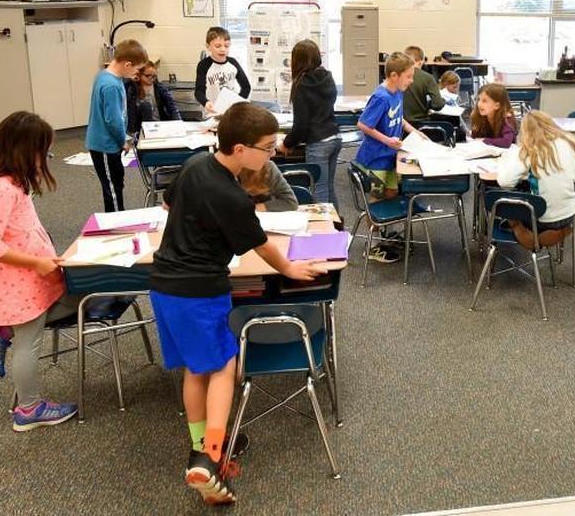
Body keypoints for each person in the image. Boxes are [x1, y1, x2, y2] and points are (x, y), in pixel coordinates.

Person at [149, 102, 326, 505]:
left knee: (197, 370)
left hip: (164, 285)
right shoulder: (231, 195)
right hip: (198, 292)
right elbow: (262, 247)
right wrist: (292, 270)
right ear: (241, 148)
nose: (273, 153)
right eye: (267, 147)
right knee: (223, 368)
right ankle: (211, 458)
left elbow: (169, 204)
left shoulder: (196, 164)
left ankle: (203, 447)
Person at [0, 112, 79, 432]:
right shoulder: (3, 188)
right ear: (23, 150)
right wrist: (36, 262)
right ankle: (28, 409)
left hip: (29, 275)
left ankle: (2, 331)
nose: (45, 159)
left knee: (75, 292)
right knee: (29, 343)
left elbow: (20, 228)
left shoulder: (0, 177)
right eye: (42, 151)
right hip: (19, 282)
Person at [355, 52, 419, 264]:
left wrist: (415, 132)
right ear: (394, 75)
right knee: (376, 201)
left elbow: (398, 119)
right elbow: (363, 125)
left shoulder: (397, 92)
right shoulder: (381, 97)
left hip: (390, 158)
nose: (411, 81)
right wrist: (387, 140)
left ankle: (387, 234)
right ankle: (372, 246)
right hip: (375, 160)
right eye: (408, 76)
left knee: (391, 193)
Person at [496, 111, 575, 249]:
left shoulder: (528, 148)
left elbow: (505, 182)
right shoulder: (571, 141)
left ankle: (521, 229)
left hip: (541, 220)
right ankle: (554, 235)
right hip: (569, 216)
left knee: (504, 201)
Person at [276, 39, 342, 209]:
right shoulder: (327, 76)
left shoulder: (301, 84)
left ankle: (324, 231)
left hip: (318, 142)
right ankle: (337, 227)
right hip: (335, 137)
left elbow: (301, 125)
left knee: (318, 189)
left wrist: (286, 144)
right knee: (328, 186)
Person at [87, 39, 147, 212]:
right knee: (112, 187)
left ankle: (118, 216)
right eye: (136, 69)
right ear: (127, 64)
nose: (136, 73)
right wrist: (123, 140)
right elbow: (113, 120)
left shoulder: (106, 75)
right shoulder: (111, 85)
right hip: (105, 144)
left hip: (109, 142)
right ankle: (115, 222)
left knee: (117, 181)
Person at [194, 26, 251, 114]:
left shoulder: (233, 62)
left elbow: (246, 87)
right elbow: (199, 91)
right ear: (208, 46)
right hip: (212, 112)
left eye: (226, 46)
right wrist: (206, 102)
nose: (223, 49)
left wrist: (237, 103)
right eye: (218, 46)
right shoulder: (203, 65)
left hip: (230, 111)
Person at [126, 60, 182, 135]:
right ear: (139, 74)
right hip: (140, 128)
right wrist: (130, 79)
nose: (151, 78)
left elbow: (172, 107)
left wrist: (179, 124)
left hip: (159, 125)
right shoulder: (131, 88)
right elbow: (130, 112)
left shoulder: (159, 88)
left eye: (154, 76)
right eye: (147, 75)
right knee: (145, 106)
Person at [402, 45, 444, 125]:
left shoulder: (397, 76)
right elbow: (437, 105)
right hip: (421, 124)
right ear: (421, 62)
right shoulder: (428, 78)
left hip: (399, 125)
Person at [470, 83, 516, 148]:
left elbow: (506, 141)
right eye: (478, 99)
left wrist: (485, 140)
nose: (479, 104)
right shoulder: (481, 116)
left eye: (484, 101)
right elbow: (475, 138)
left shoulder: (506, 118)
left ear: (497, 106)